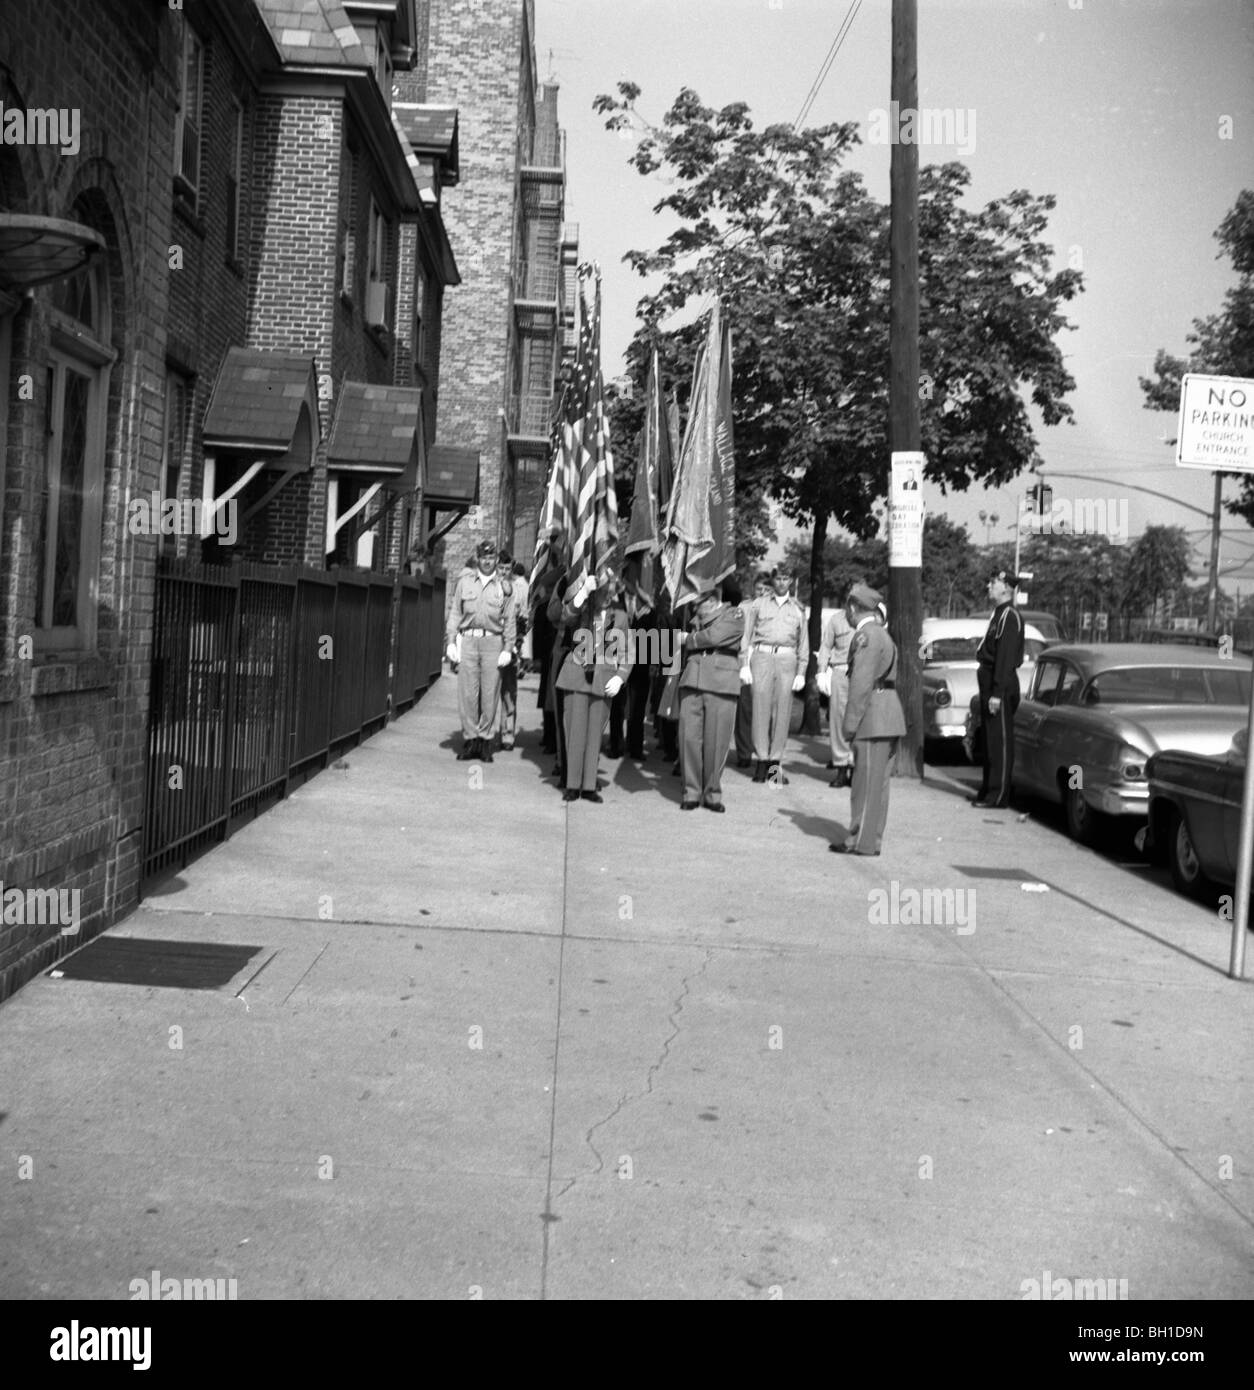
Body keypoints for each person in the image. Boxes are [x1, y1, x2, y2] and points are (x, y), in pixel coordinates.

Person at [830, 583, 906, 856]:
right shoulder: (879, 633)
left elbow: (861, 684)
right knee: (878, 784)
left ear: (852, 607)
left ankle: (860, 840)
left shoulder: (865, 636)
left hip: (873, 716)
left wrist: (849, 725)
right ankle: (870, 839)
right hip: (885, 713)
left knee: (865, 784)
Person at [553, 568, 631, 802]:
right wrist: (583, 592)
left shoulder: (621, 617)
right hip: (577, 676)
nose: (608, 595)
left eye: (611, 591)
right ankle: (572, 784)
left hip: (603, 680)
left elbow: (629, 651)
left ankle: (588, 785)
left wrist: (620, 676)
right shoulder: (582, 610)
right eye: (603, 591)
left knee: (594, 735)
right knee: (575, 734)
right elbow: (565, 616)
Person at [444, 539, 516, 762]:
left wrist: (508, 647)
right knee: (467, 693)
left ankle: (485, 740)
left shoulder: (503, 587)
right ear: (478, 558)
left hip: (492, 643)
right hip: (468, 640)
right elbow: (455, 613)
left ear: (496, 559)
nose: (487, 561)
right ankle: (470, 739)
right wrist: (451, 641)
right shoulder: (465, 583)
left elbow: (510, 620)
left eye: (491, 557)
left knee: (489, 693)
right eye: (484, 557)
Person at [678, 587, 745, 811]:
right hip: (693, 679)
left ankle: (712, 793)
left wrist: (690, 638)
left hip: (721, 682)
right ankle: (691, 791)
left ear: (713, 599)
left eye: (698, 603)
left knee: (716, 741)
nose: (695, 608)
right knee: (689, 738)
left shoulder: (734, 614)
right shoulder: (695, 617)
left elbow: (716, 636)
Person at [739, 568, 808, 784]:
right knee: (760, 708)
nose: (781, 582)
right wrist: (744, 664)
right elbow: (747, 635)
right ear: (773, 580)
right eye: (778, 578)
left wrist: (802, 671)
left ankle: (774, 767)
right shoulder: (758, 604)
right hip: (762, 655)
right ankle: (760, 762)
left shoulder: (797, 609)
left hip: (787, 659)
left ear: (791, 581)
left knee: (782, 712)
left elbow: (803, 642)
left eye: (786, 578)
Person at [973, 570, 1026, 808]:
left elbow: (1004, 659)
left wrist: (996, 693)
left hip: (1000, 686)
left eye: (993, 582)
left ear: (1006, 588)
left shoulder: (1010, 616)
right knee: (989, 741)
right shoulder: (999, 614)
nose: (988, 585)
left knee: (1000, 743)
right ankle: (987, 790)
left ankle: (998, 795)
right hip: (990, 680)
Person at [608, 558, 657, 760]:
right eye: (632, 575)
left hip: (642, 660)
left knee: (638, 707)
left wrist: (654, 661)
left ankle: (635, 746)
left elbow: (654, 632)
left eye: (639, 576)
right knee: (617, 705)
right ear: (625, 576)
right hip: (618, 658)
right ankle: (615, 744)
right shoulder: (614, 599)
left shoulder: (647, 604)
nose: (635, 580)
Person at [531, 529, 568, 758]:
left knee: (559, 696)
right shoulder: (546, 602)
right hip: (549, 650)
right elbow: (539, 625)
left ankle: (556, 739)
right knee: (549, 696)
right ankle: (549, 737)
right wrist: (536, 656)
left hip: (563, 646)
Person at [817, 602, 855, 788]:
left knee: (859, 720)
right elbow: (826, 646)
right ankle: (841, 768)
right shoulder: (836, 620)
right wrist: (821, 671)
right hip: (840, 671)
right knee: (838, 721)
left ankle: (855, 769)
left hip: (862, 673)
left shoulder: (870, 620)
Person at [733, 573, 768, 768]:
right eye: (759, 588)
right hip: (746, 659)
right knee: (744, 709)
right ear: (753, 589)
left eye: (765, 589)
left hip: (767, 659)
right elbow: (739, 635)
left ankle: (767, 759)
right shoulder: (743, 607)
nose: (762, 592)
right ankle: (744, 753)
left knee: (766, 711)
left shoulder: (775, 608)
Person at [493, 551, 524, 750]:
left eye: (507, 569)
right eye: (501, 568)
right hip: (492, 642)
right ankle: (485, 731)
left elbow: (523, 620)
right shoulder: (490, 587)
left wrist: (516, 645)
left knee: (509, 692)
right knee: (488, 689)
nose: (504, 572)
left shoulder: (518, 589)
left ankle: (507, 734)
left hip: (511, 644)